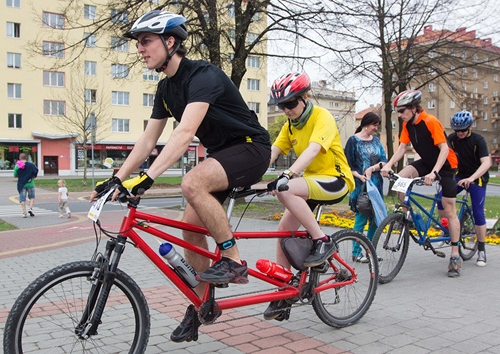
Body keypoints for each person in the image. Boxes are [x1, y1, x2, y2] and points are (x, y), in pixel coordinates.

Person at [89, 10, 271, 342]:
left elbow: (185, 132)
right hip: (221, 157)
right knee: (190, 232)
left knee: (192, 182)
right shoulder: (165, 89)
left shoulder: (204, 75)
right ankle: (201, 306)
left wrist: (149, 177)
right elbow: (147, 140)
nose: (140, 49)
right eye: (138, 43)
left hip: (250, 148)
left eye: (146, 41)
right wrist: (118, 177)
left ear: (170, 42)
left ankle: (232, 259)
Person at [263, 72, 355, 320]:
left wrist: (289, 174)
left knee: (286, 188)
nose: (286, 110)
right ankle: (284, 292)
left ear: (304, 97)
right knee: (283, 233)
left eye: (291, 103)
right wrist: (248, 176)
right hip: (311, 184)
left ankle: (322, 241)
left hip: (335, 180)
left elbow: (314, 149)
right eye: (281, 105)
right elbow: (273, 150)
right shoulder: (290, 125)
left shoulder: (322, 116)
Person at [380, 90, 463, 277]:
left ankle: (455, 254)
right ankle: (407, 217)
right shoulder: (408, 125)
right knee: (400, 180)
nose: (399, 116)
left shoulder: (430, 121)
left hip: (446, 166)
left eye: (402, 111)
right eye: (398, 112)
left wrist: (435, 173)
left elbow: (443, 149)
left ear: (413, 108)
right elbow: (402, 147)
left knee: (449, 210)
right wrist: (388, 165)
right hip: (426, 161)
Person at [436, 110, 491, 266]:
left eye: (463, 130)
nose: (459, 133)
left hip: (477, 178)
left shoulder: (478, 140)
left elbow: (486, 163)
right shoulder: (452, 139)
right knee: (440, 198)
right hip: (459, 177)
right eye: (457, 130)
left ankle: (481, 250)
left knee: (478, 212)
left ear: (470, 127)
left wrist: (472, 178)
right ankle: (447, 228)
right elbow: (442, 154)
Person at [344, 112, 387, 262]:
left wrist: (372, 168)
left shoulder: (376, 141)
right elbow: (347, 165)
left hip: (376, 184)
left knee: (375, 220)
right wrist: (359, 176)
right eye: (374, 125)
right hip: (360, 186)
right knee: (361, 218)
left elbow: (384, 161)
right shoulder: (353, 141)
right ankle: (356, 253)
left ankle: (371, 251)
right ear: (366, 124)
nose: (376, 128)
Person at [14, 153, 38, 218]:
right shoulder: (31, 165)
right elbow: (35, 172)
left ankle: (24, 213)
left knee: (22, 198)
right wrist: (32, 177)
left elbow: (15, 175)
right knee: (32, 197)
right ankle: (30, 208)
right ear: (26, 158)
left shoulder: (18, 166)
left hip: (22, 184)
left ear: (20, 158)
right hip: (30, 184)